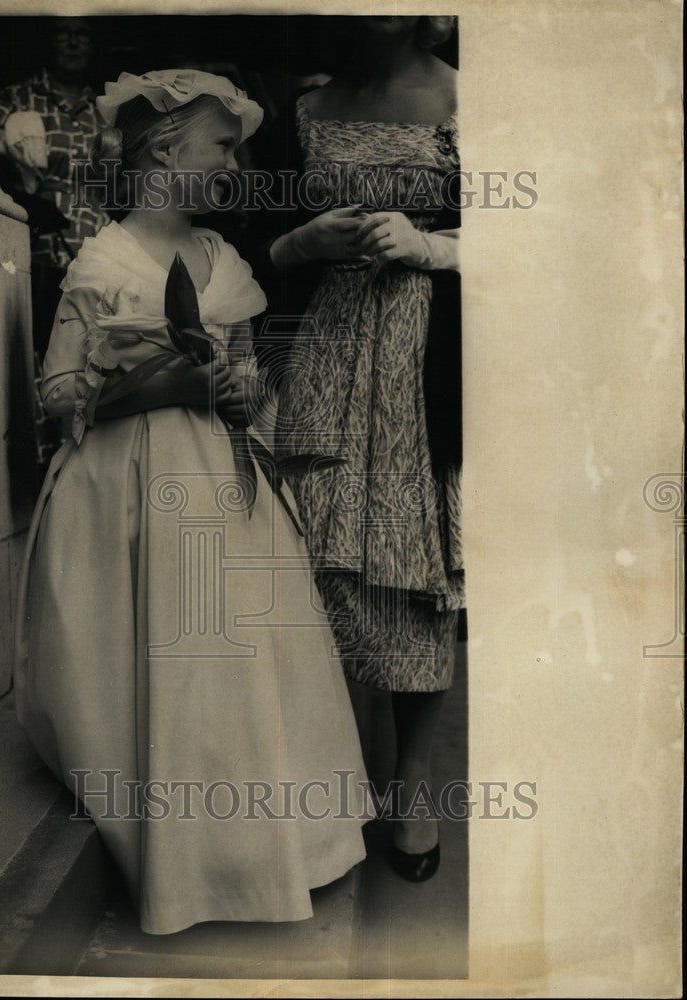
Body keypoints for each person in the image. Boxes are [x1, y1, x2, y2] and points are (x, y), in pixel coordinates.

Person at [13, 69, 370, 936]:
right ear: (165, 151)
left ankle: (259, 848)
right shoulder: (103, 262)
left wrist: (246, 394)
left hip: (219, 478)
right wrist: (157, 382)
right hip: (127, 485)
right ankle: (179, 848)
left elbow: (251, 384)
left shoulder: (225, 262)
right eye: (221, 144)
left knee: (233, 656)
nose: (235, 162)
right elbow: (55, 393)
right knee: (159, 655)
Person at [262, 15, 464, 882]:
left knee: (413, 567)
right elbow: (242, 242)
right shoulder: (304, 108)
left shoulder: (473, 98)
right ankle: (330, 784)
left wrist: (434, 245)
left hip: (431, 355)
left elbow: (560, 233)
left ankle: (411, 789)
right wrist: (301, 241)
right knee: (318, 560)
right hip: (324, 350)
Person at [0, 17, 111, 463]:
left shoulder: (105, 109)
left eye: (85, 33)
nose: (75, 41)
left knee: (94, 354)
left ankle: (89, 463)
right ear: (47, 39)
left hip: (97, 249)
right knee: (41, 356)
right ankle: (41, 466)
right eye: (64, 31)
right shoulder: (17, 99)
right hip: (37, 249)